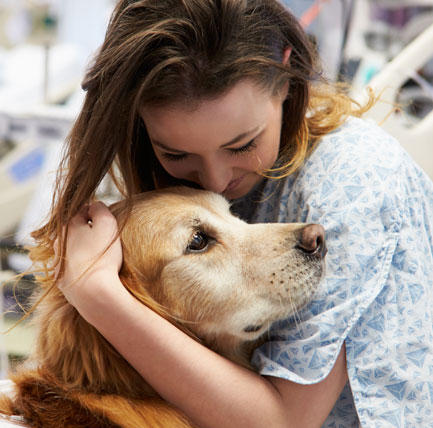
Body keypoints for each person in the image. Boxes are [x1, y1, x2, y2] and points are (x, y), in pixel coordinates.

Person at [30, 0, 433, 427]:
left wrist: (97, 294)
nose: (216, 180)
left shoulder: (354, 182)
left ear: (285, 79)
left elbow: (283, 423)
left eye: (241, 145)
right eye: (177, 153)